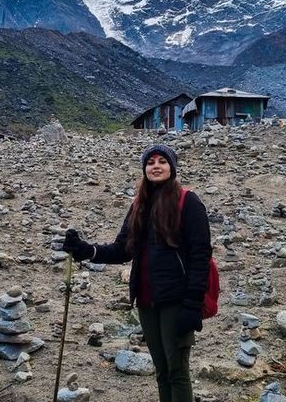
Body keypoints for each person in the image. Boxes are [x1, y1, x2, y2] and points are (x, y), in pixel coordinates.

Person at [63, 144, 211, 402]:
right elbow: (123, 249)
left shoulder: (188, 202)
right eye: (150, 161)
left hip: (176, 300)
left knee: (177, 370)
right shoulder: (139, 205)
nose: (156, 165)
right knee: (162, 371)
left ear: (172, 168)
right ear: (144, 169)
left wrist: (192, 305)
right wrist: (87, 250)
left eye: (162, 161)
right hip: (146, 300)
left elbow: (201, 256)